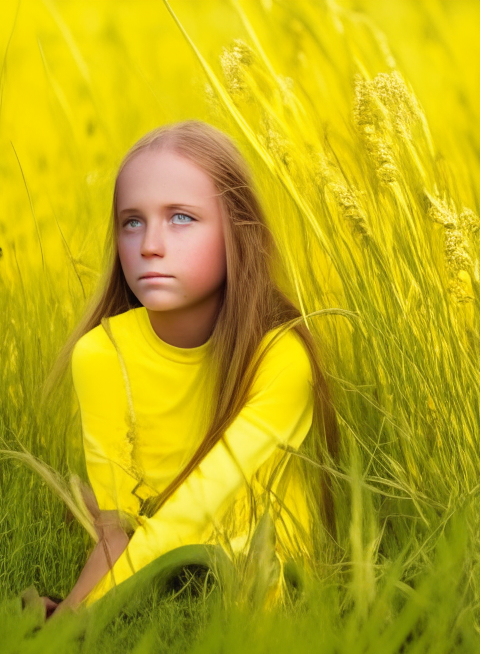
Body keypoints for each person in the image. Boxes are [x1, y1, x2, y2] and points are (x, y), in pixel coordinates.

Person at [41, 119, 339, 619]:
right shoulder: (100, 356)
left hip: (260, 560)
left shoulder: (281, 356)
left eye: (180, 218)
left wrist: (81, 616)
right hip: (161, 556)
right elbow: (118, 529)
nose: (149, 245)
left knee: (229, 570)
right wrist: (68, 615)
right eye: (132, 221)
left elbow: (198, 506)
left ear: (237, 233)